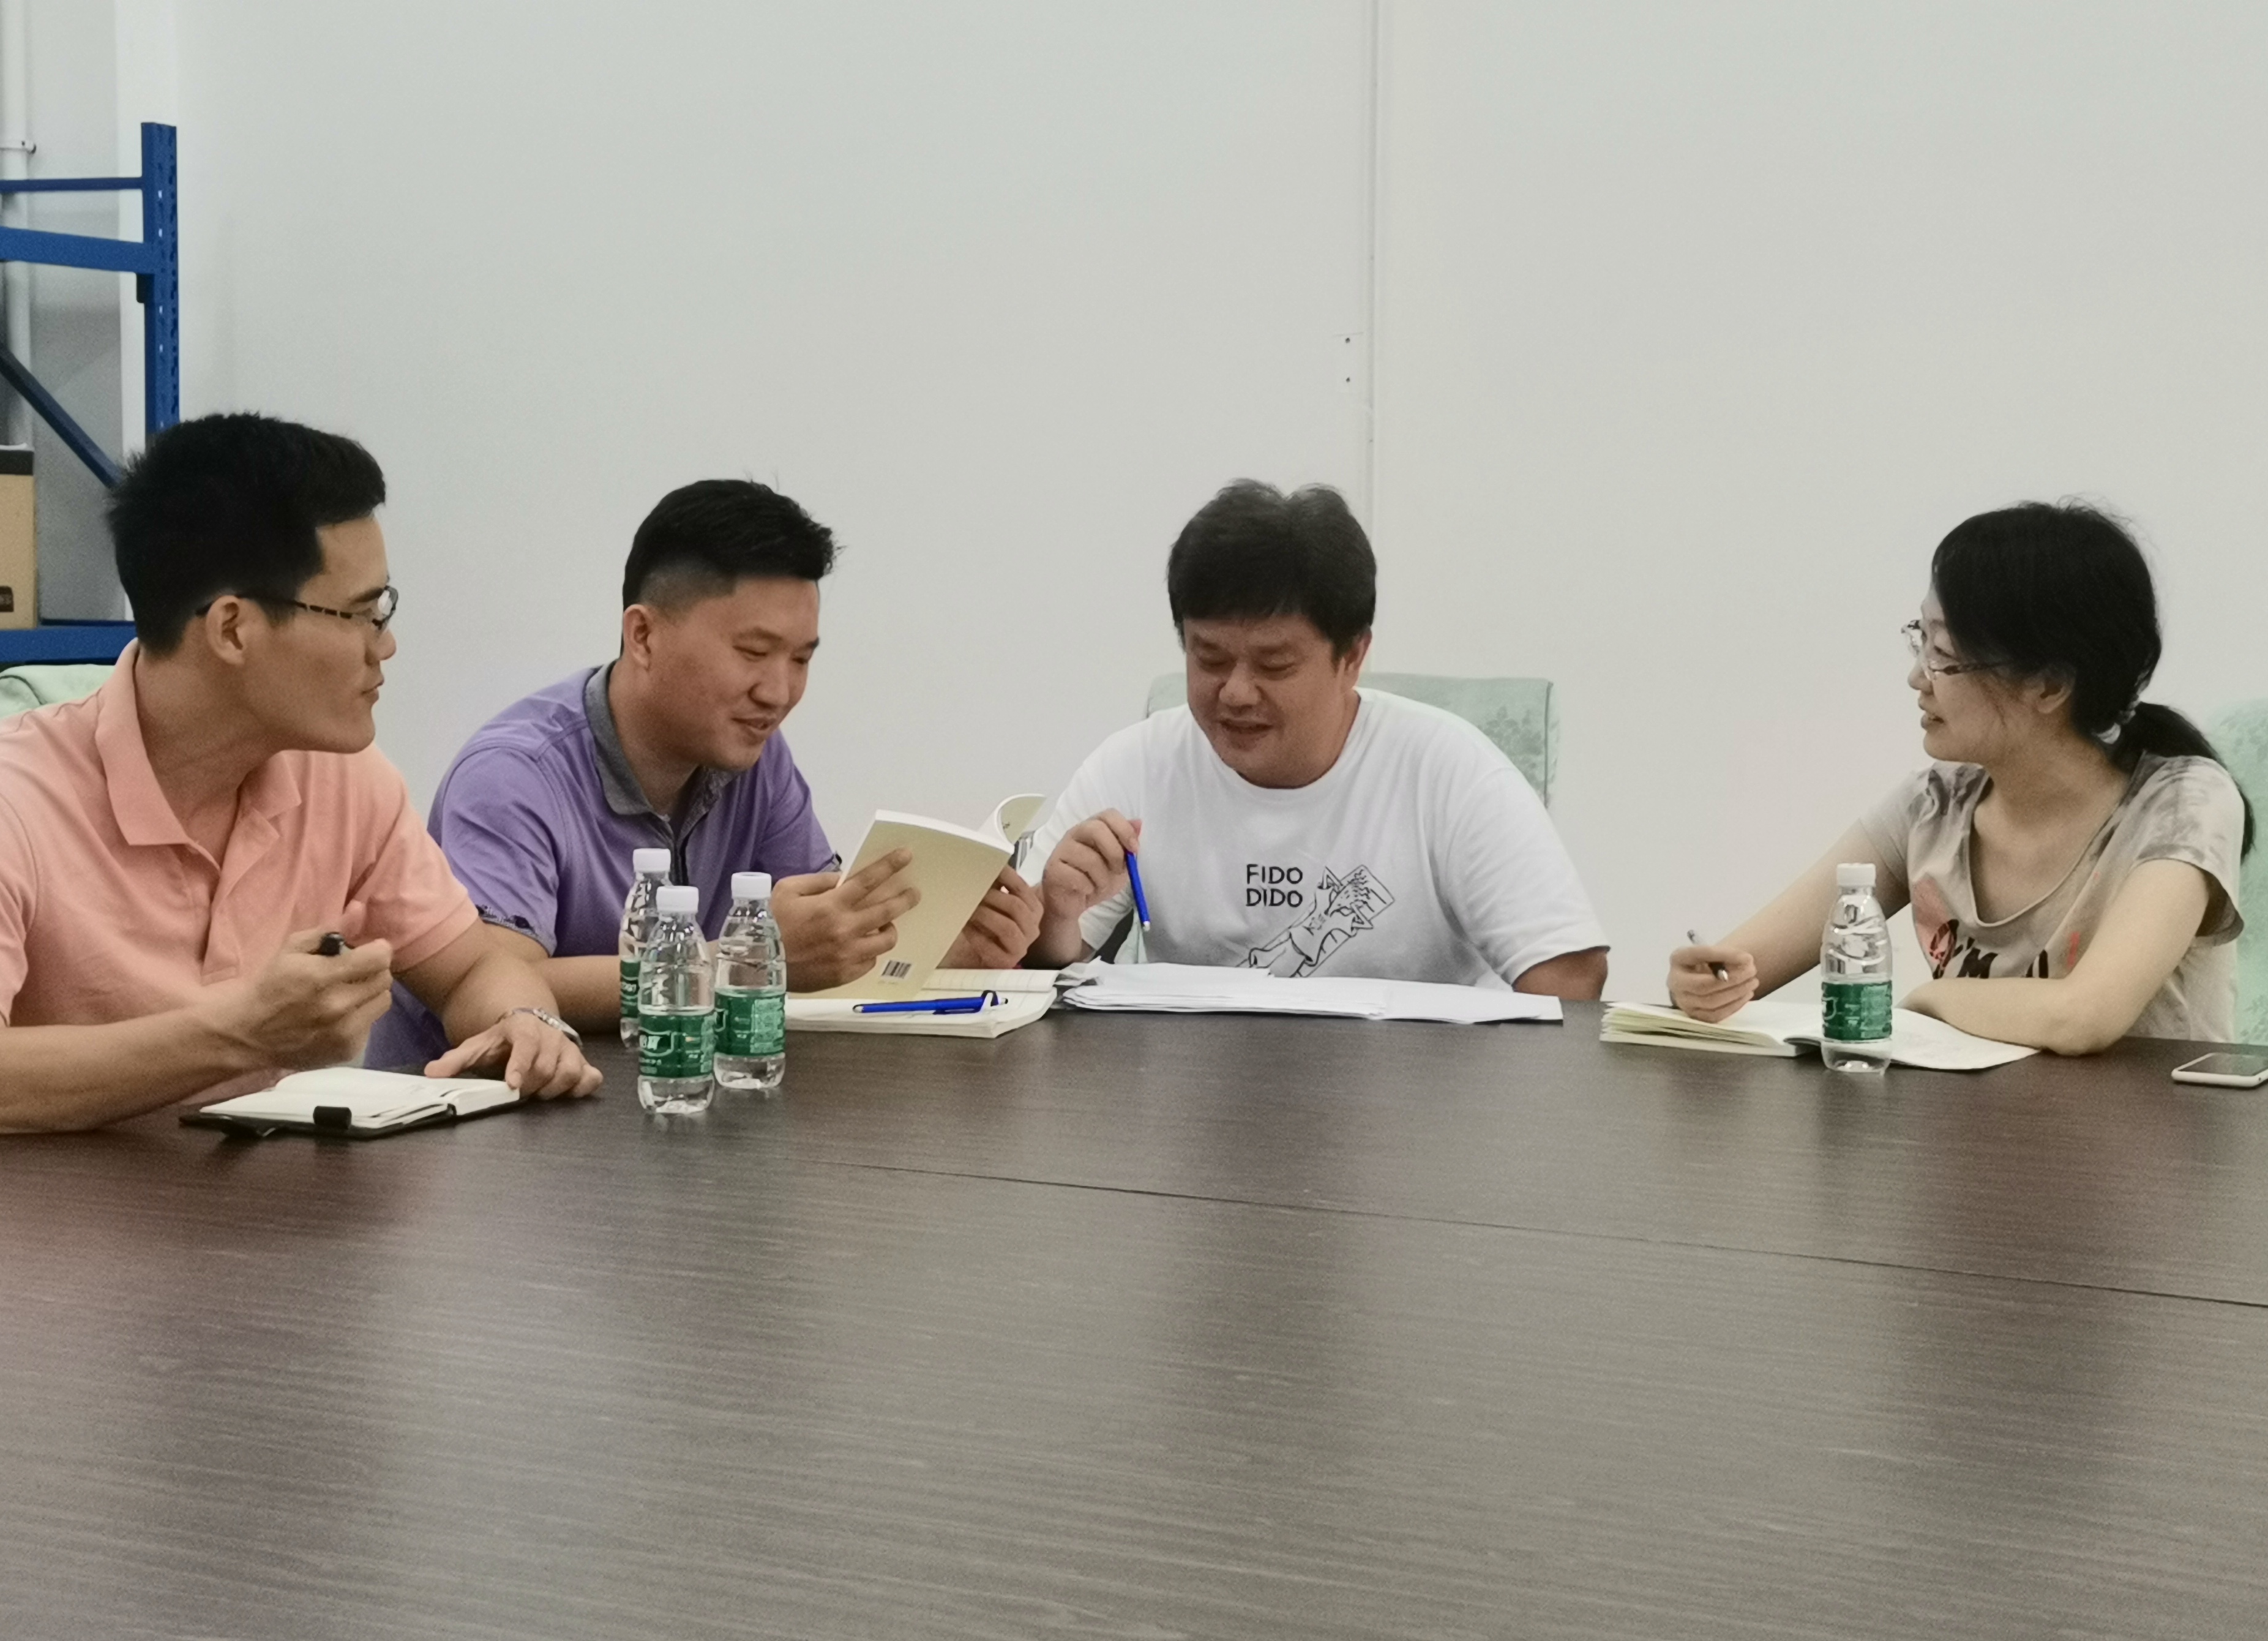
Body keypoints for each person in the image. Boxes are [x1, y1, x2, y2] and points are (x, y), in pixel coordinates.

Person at [0, 413, 602, 1146]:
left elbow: (474, 968)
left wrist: (524, 1021)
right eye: (361, 614)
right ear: (232, 628)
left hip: (262, 1214)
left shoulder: (345, 781)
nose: (386, 646)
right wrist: (236, 1033)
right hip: (39, 1223)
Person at [369, 479, 1041, 1065]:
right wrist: (743, 959)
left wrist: (937, 945)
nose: (779, 692)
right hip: (477, 1133)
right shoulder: (514, 777)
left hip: (663, 1106)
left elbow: (811, 946)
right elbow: (499, 982)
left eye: (801, 659)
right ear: (643, 636)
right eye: (753, 652)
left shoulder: (755, 756)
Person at [1669, 500, 2252, 1051]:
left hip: (2155, 1125)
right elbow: (1740, 967)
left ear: (2049, 685)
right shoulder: (1933, 807)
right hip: (1975, 1123)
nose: (1917, 678)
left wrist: (1930, 1000)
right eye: (1920, 640)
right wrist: (1701, 985)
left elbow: (2083, 1017)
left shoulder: (2183, 804)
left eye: (1944, 655)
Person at [1026, 481, 1609, 995]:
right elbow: (1032, 968)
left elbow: (1570, 973)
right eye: (1210, 659)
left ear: (1352, 657)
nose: (1236, 693)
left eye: (1274, 665)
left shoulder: (1451, 773)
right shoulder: (1136, 766)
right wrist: (1057, 917)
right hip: (1196, 1082)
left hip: (1408, 1082)